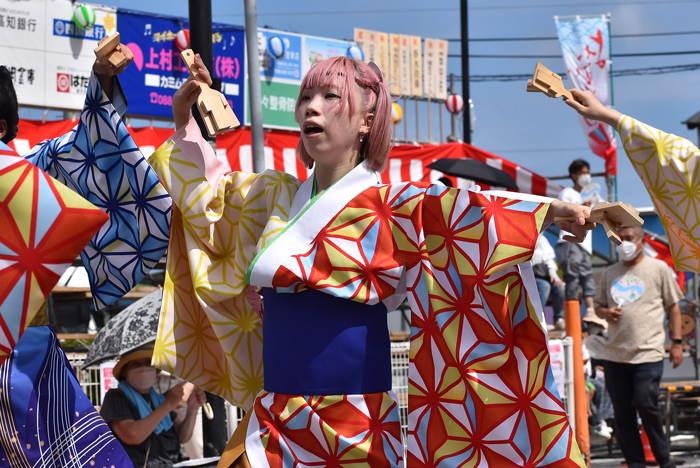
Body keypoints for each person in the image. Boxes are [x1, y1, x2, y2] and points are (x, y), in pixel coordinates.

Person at [149, 56, 594, 467]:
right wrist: (184, 121)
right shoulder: (274, 196)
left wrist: (548, 212)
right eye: (305, 97)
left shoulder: (393, 204)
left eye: (329, 97)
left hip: (354, 421)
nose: (311, 108)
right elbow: (209, 198)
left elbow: (466, 213)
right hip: (275, 414)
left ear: (367, 119)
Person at [563, 88, 700, 274]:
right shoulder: (568, 193)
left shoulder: (657, 268)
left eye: (629, 238)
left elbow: (683, 159)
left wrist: (608, 115)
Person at [593, 225, 683, 468]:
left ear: (642, 242)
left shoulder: (659, 268)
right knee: (622, 415)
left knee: (645, 402)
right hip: (614, 355)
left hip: (648, 352)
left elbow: (674, 306)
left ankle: (664, 460)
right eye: (619, 240)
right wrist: (606, 312)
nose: (624, 244)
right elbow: (598, 306)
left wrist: (677, 342)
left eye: (629, 239)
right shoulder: (610, 272)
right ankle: (635, 463)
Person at [101, 345, 207, 468]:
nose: (144, 369)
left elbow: (182, 436)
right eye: (136, 364)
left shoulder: (157, 398)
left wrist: (192, 409)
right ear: (124, 371)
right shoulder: (116, 397)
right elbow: (132, 436)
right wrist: (167, 405)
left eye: (147, 363)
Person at [556, 158, 600, 317]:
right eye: (582, 173)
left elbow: (603, 212)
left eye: (588, 173)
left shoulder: (594, 196)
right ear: (574, 175)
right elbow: (562, 214)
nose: (586, 176)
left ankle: (591, 313)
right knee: (572, 278)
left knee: (588, 277)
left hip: (585, 245)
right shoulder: (567, 193)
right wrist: (584, 206)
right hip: (569, 241)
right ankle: (571, 316)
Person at [532, 233, 566, 330]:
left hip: (545, 275)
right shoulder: (523, 239)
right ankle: (539, 319)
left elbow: (550, 260)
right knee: (544, 286)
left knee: (559, 287)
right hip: (531, 276)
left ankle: (558, 319)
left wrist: (555, 276)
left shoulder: (543, 239)